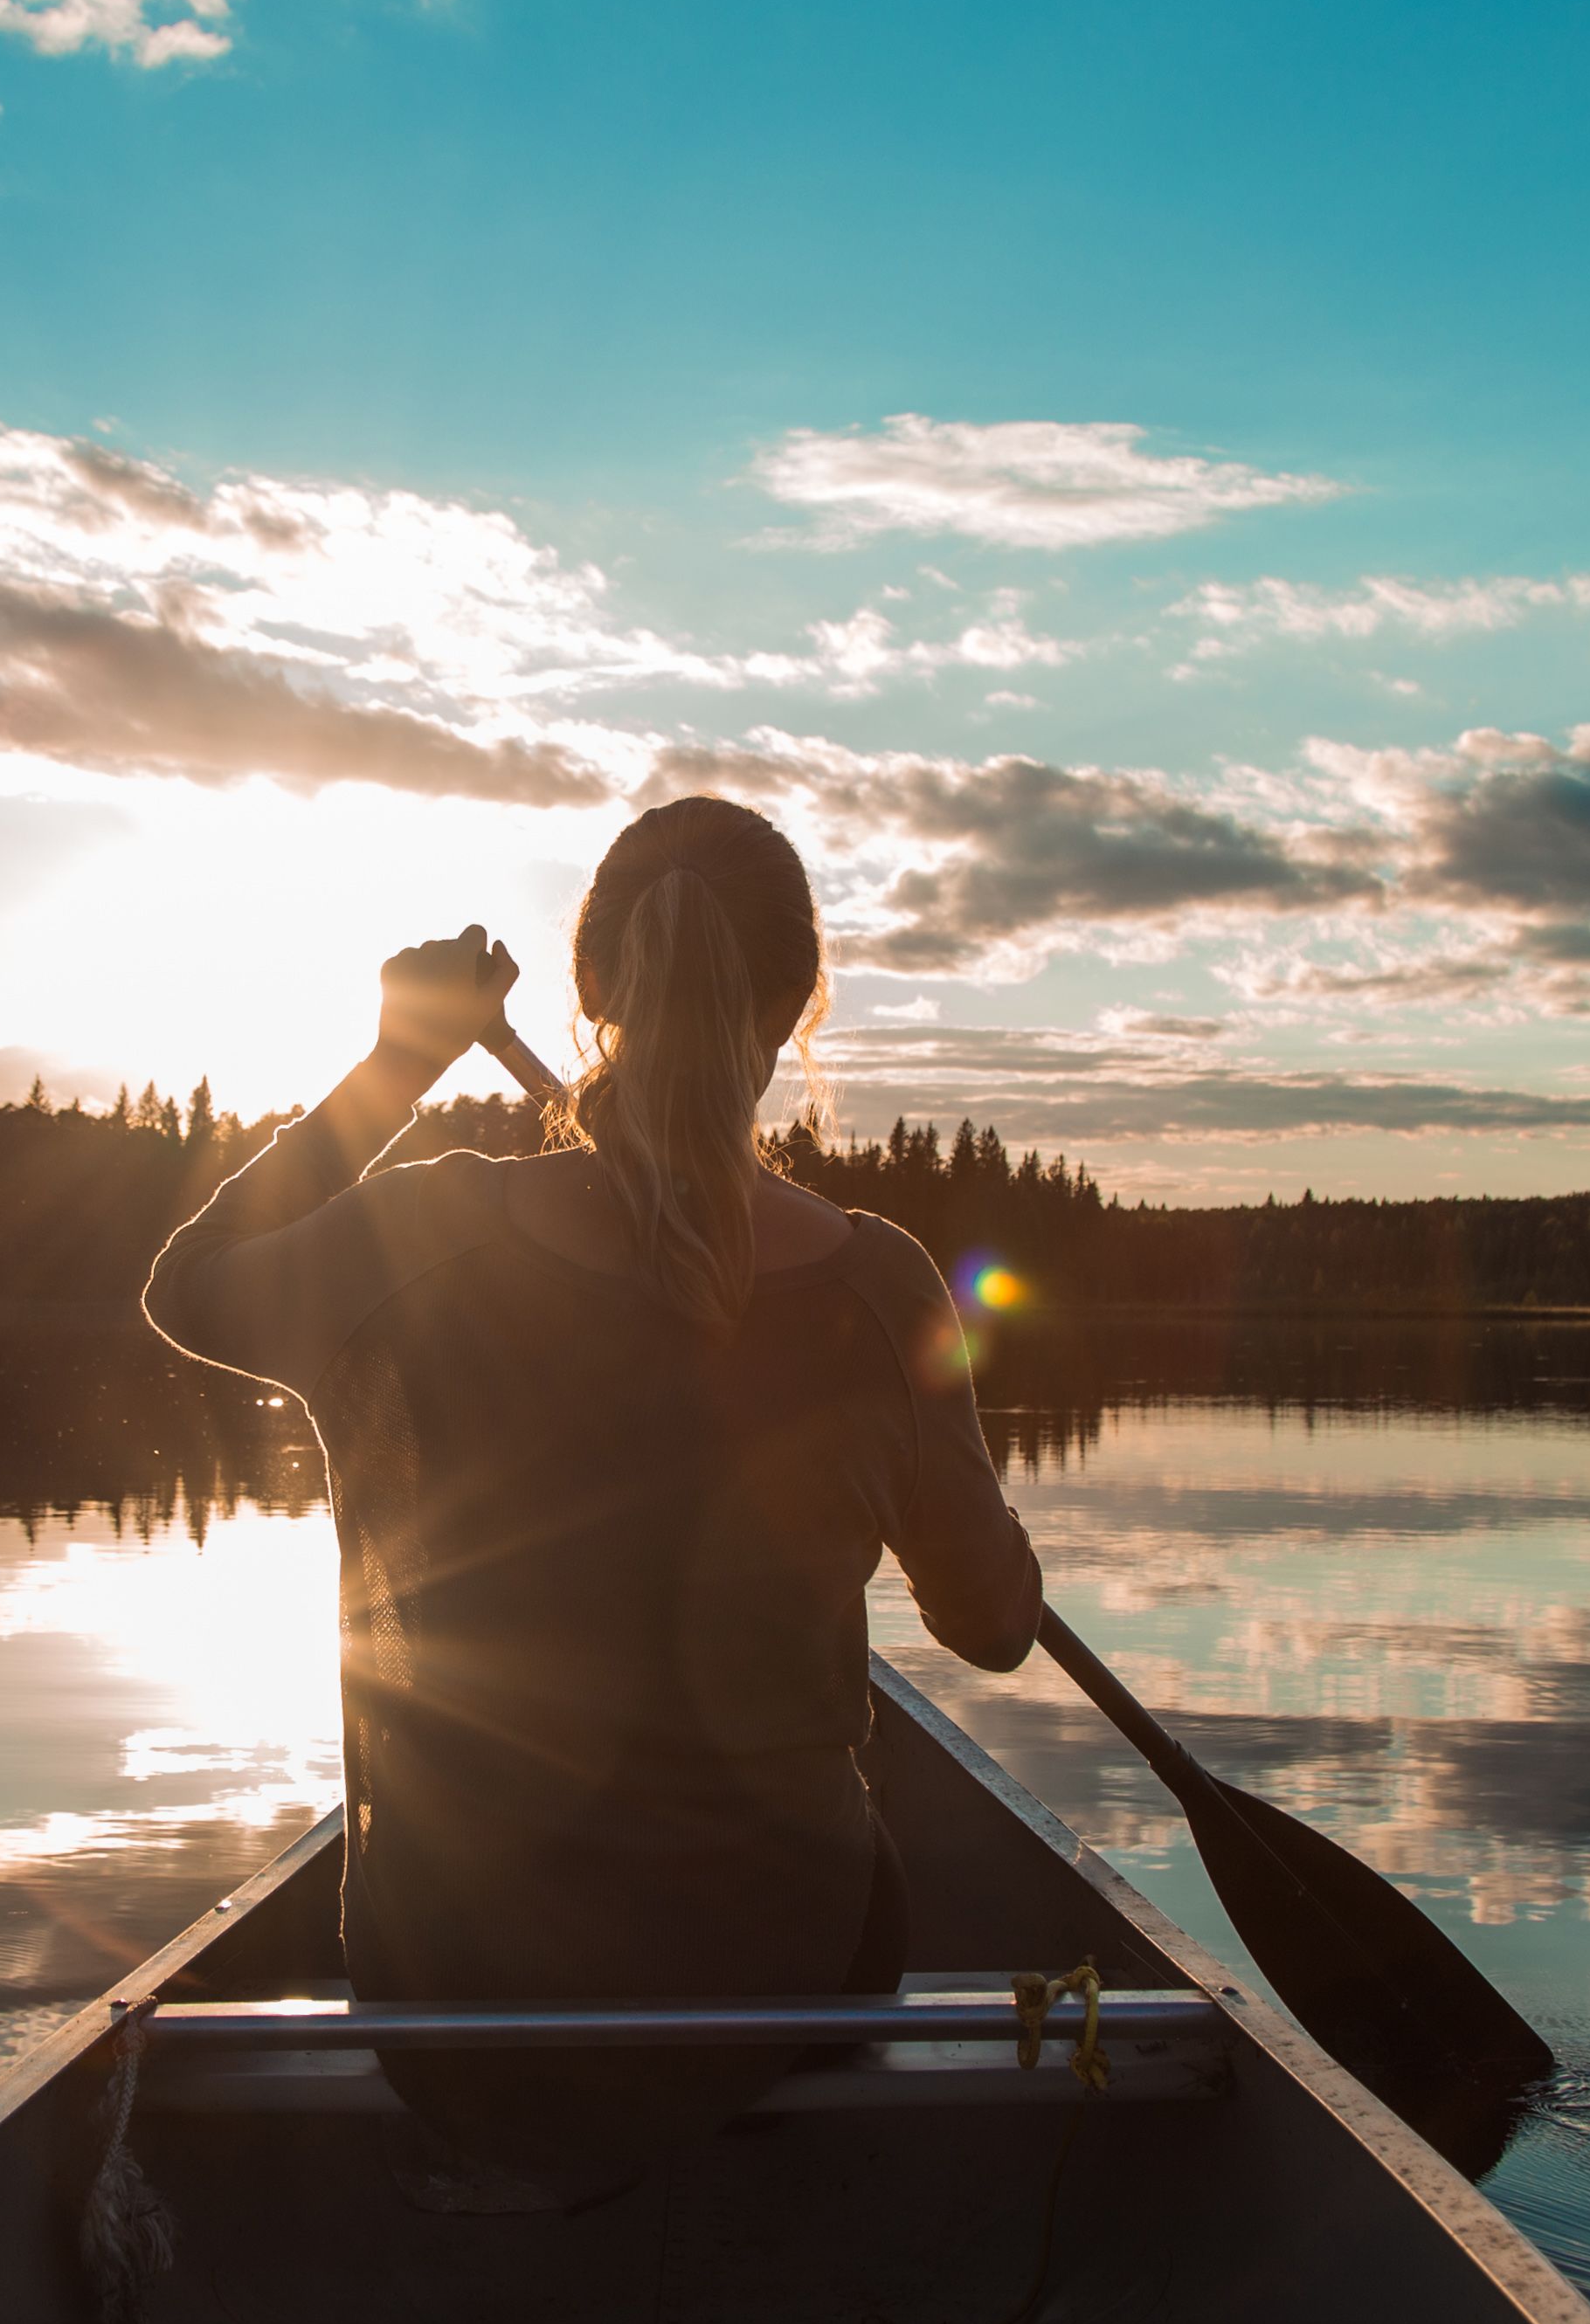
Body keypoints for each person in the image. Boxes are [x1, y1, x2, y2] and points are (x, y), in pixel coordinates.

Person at [142, 796, 1045, 2197]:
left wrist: (399, 1061)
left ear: (590, 991)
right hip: (787, 1983)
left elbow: (190, 1287)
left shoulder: (418, 1237)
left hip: (452, 1992)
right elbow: (991, 1631)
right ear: (797, 1002)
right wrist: (969, 1524)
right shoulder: (878, 1285)